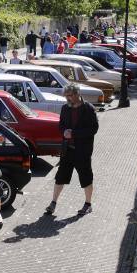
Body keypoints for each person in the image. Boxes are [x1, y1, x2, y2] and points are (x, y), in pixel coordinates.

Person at [45, 84, 98, 215]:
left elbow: (93, 129)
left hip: (82, 151)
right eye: (66, 96)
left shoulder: (88, 109)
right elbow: (61, 125)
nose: (68, 98)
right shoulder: (65, 108)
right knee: (60, 176)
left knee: (86, 177)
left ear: (77, 94)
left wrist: (73, 134)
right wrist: (64, 132)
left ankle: (88, 204)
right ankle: (53, 203)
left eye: (70, 95)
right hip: (67, 149)